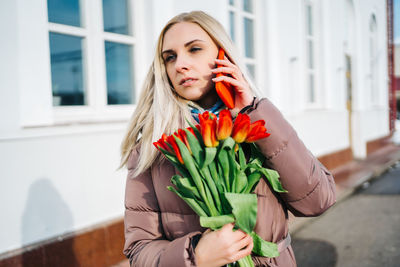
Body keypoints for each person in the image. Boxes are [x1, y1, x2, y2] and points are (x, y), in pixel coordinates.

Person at [120, 11, 336, 267]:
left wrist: (255, 113)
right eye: (170, 57)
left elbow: (318, 200)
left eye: (195, 49)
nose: (180, 65)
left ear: (223, 56)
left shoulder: (258, 125)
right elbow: (139, 250)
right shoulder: (154, 148)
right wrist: (195, 257)